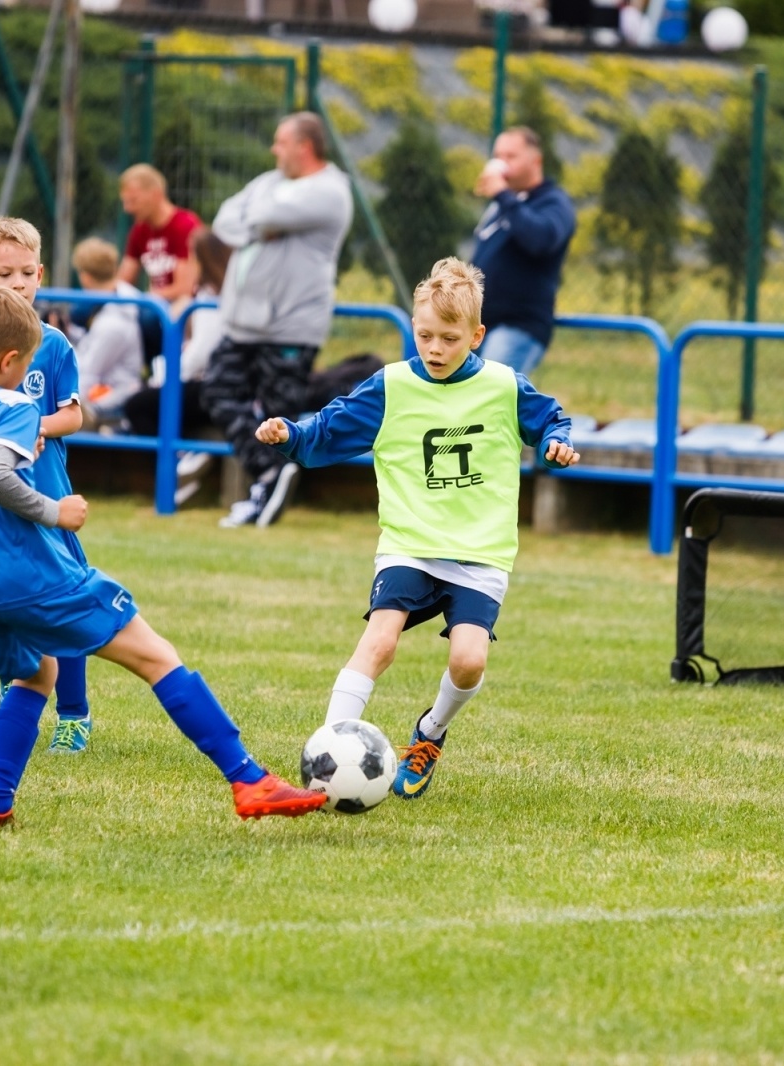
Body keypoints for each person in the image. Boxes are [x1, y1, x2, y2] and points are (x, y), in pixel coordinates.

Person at [0, 287, 326, 828]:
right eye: (28, 364)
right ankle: (250, 781)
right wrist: (53, 510)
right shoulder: (13, 406)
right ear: (8, 362)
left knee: (37, 674)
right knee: (156, 656)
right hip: (33, 578)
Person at [255, 258, 580, 799]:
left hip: (481, 551)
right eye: (424, 335)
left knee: (470, 660)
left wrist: (555, 442)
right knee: (378, 643)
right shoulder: (392, 386)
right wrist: (290, 432)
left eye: (449, 339)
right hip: (410, 543)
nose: (434, 349)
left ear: (477, 336)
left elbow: (551, 418)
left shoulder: (503, 386)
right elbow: (327, 431)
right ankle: (328, 753)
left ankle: (430, 733)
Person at [0, 216, 95, 755]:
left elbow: (74, 415)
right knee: (9, 606)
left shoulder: (51, 346)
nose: (18, 284)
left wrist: (35, 428)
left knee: (66, 604)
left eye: (27, 273)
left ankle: (74, 715)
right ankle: (18, 696)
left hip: (45, 493)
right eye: (5, 273)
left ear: (41, 274)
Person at [206, 111, 353, 528]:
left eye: (280, 142)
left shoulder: (330, 191)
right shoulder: (271, 185)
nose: (274, 150)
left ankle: (264, 491)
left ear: (304, 147)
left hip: (291, 325)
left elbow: (259, 218)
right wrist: (262, 218)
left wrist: (261, 219)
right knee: (217, 389)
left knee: (278, 412)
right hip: (243, 323)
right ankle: (269, 473)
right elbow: (225, 220)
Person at [124, 227, 231, 503]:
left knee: (138, 405)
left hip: (213, 385)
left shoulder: (211, 296)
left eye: (190, 259)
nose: (185, 267)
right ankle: (179, 469)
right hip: (213, 381)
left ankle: (176, 472)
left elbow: (202, 352)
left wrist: (168, 375)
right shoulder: (212, 294)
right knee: (148, 402)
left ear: (203, 260)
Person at [469, 127, 577, 379]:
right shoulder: (505, 204)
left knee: (489, 391)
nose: (500, 163)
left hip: (518, 325)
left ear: (535, 160)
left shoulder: (553, 202)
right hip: (480, 324)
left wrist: (503, 196)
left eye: (511, 156)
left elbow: (540, 240)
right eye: (498, 155)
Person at [68, 237, 144, 423]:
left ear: (85, 277)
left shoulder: (113, 324)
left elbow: (88, 375)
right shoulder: (121, 298)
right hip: (108, 387)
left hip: (112, 398)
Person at [118, 164, 203, 304]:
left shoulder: (185, 226)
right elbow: (123, 282)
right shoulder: (139, 230)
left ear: (156, 194)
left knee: (148, 317)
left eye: (133, 201)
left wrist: (145, 298)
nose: (127, 209)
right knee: (81, 311)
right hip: (157, 303)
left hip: (185, 309)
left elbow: (184, 290)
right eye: (125, 202)